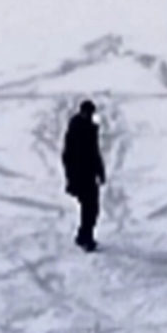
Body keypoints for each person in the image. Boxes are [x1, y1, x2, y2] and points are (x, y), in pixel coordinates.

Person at [62, 100, 106, 252]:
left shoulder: (89, 129)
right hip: (80, 176)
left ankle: (84, 236)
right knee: (90, 208)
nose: (90, 115)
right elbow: (68, 156)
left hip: (89, 175)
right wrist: (71, 179)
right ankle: (86, 238)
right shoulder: (76, 129)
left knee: (91, 208)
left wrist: (100, 172)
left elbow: (95, 153)